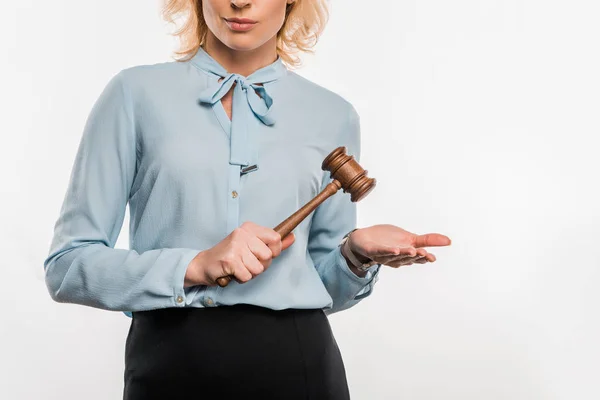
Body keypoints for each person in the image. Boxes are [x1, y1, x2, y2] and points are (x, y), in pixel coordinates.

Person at [43, 0, 452, 398]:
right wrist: (195, 265)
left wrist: (355, 255)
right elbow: (68, 265)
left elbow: (325, 285)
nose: (240, 2)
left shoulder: (333, 115)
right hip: (170, 364)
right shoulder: (133, 95)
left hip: (300, 365)